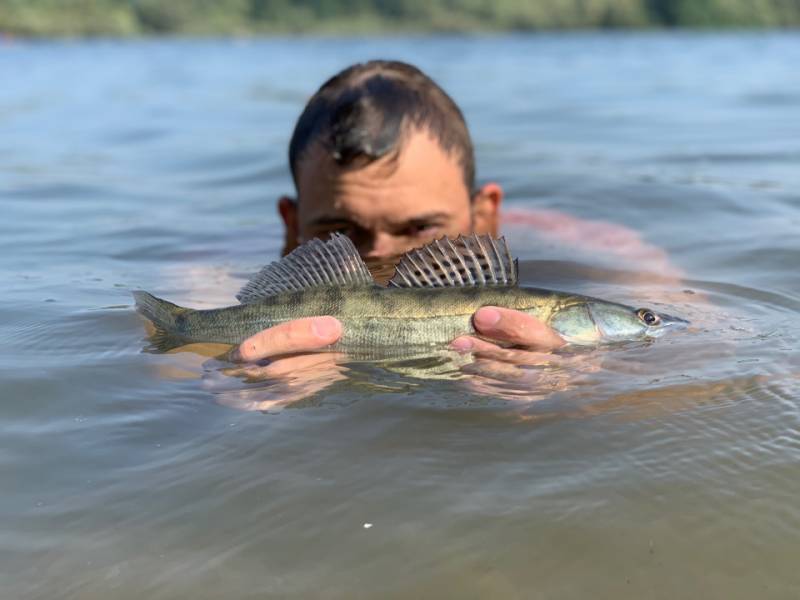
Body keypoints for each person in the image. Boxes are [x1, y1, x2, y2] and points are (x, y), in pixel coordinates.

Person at [230, 59, 567, 365]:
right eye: (342, 230)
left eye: (420, 227)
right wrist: (230, 376)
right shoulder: (210, 281)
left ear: (484, 218)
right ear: (292, 225)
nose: (379, 253)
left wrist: (582, 387)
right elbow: (183, 371)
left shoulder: (591, 255)